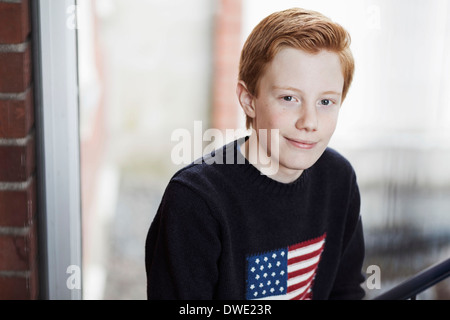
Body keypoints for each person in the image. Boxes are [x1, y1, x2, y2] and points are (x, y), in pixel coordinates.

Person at [145, 7, 365, 300]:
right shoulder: (195, 201)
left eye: (326, 102)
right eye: (289, 98)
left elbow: (346, 291)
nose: (309, 122)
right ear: (249, 100)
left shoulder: (339, 179)